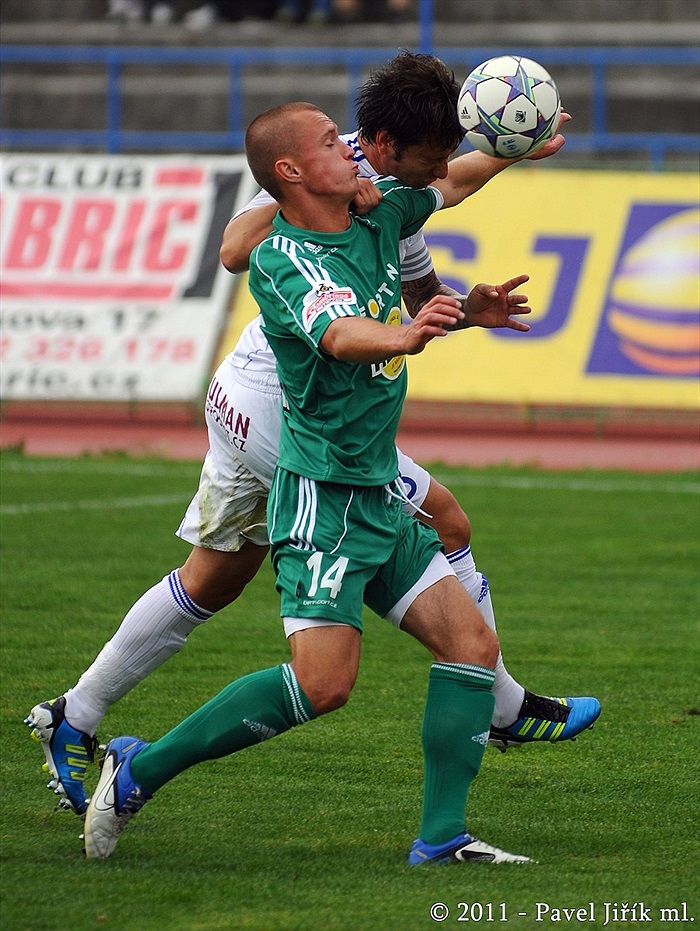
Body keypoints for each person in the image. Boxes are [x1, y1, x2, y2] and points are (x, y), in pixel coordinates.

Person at [26, 52, 599, 820]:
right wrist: (306, 189)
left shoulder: (392, 200)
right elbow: (240, 253)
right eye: (430, 155)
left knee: (215, 577)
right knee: (437, 523)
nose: (442, 169)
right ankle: (497, 701)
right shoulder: (331, 190)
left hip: (250, 389)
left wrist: (510, 150)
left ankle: (77, 711)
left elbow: (443, 220)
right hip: (290, 409)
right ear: (383, 146)